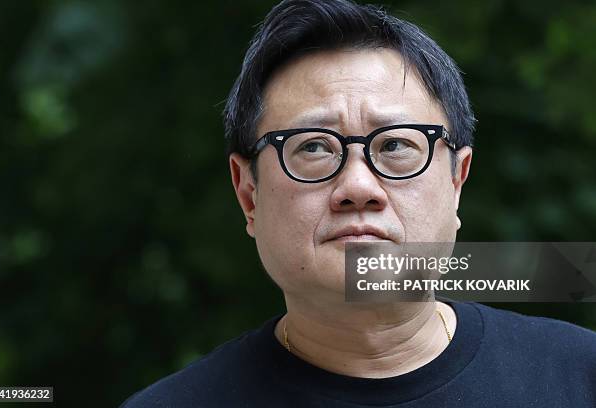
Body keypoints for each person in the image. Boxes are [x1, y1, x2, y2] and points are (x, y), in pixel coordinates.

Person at [120, 0, 596, 406]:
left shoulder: (580, 379)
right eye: (312, 147)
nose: (358, 186)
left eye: (395, 146)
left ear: (457, 181)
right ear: (248, 194)